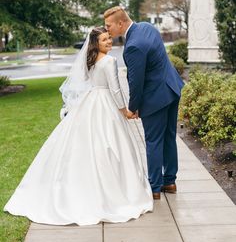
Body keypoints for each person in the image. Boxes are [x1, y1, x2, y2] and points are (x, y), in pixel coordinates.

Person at [4, 27, 153, 226]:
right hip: (105, 103)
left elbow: (86, 82)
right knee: (110, 145)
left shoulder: (89, 60)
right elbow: (115, 89)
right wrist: (124, 110)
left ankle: (82, 188)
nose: (109, 41)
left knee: (86, 146)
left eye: (109, 38)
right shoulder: (110, 61)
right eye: (104, 40)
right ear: (96, 43)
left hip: (89, 102)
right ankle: (115, 194)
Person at [104, 7, 185, 200]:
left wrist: (133, 107)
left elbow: (136, 81)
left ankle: (155, 186)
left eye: (109, 26)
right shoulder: (146, 27)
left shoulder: (133, 46)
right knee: (168, 137)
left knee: (153, 141)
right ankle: (170, 181)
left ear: (120, 23)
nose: (107, 30)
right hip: (172, 88)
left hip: (156, 97)